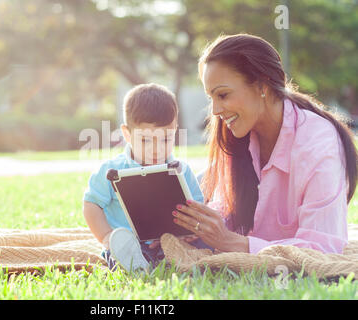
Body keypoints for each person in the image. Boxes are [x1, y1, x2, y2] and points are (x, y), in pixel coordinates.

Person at [172, 33, 357, 254]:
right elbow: (226, 210)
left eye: (223, 94)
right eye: (211, 97)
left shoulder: (318, 144)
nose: (215, 111)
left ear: (262, 86)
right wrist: (200, 227)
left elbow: (323, 246)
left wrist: (232, 243)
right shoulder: (239, 136)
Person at [83, 83, 209, 272]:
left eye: (166, 139)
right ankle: (134, 264)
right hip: (130, 245)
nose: (156, 149)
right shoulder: (111, 170)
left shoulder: (182, 170)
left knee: (204, 248)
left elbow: (197, 209)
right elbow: (91, 205)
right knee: (122, 253)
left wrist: (189, 232)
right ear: (127, 134)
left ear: (175, 129)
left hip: (171, 241)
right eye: (146, 140)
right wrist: (107, 237)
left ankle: (171, 261)